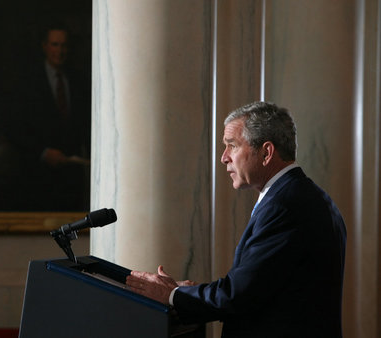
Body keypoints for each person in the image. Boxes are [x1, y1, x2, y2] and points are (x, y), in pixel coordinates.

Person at [126, 102, 347, 337]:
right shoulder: (303, 195)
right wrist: (187, 292)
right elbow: (260, 286)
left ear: (266, 152)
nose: (224, 158)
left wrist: (170, 295)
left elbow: (238, 296)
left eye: (232, 146)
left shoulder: (286, 206)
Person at [0, 23, 91, 211]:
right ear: (45, 46)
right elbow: (13, 128)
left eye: (64, 45)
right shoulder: (27, 82)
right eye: (55, 45)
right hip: (36, 179)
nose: (60, 51)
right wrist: (43, 152)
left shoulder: (78, 82)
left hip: (71, 180)